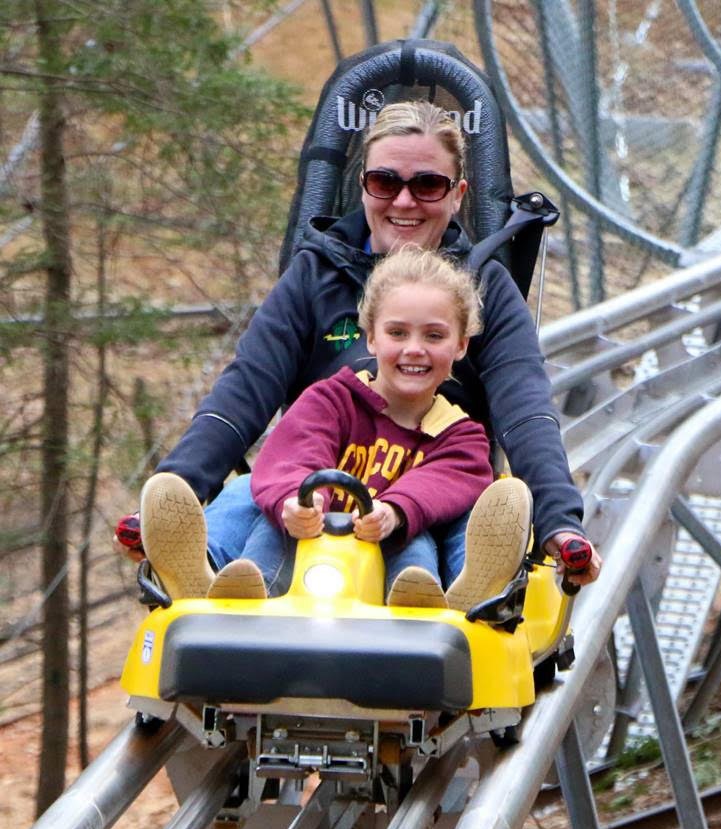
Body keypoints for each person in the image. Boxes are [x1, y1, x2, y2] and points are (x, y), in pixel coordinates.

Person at [120, 100, 601, 599]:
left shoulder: (485, 288)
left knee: (470, 510)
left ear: (457, 195)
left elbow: (526, 412)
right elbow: (244, 393)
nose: (405, 202)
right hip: (314, 485)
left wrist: (559, 523)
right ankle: (201, 573)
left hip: (427, 487)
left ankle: (463, 597)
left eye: (428, 185)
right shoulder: (313, 278)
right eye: (386, 182)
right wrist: (180, 486)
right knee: (248, 491)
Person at [142, 248, 533, 609]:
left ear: (461, 346)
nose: (415, 349)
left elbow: (451, 478)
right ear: (372, 339)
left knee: (417, 539)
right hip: (307, 552)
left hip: (382, 566)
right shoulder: (332, 399)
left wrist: (396, 510)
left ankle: (444, 605)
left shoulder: (458, 433)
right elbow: (296, 452)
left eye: (434, 336)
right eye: (397, 333)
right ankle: (225, 587)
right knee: (270, 518)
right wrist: (297, 502)